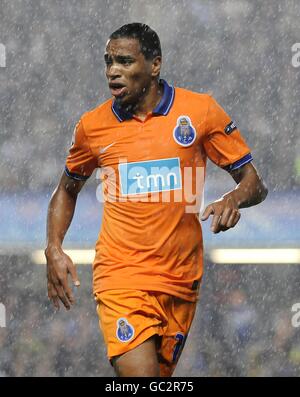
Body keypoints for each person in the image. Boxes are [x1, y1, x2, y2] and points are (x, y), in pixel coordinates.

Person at [45, 23, 268, 377]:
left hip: (181, 280)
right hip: (121, 276)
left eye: (124, 61)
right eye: (108, 61)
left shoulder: (200, 112)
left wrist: (233, 199)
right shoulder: (92, 127)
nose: (112, 70)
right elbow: (66, 190)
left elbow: (255, 183)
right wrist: (53, 247)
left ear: (154, 65)